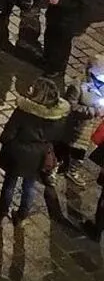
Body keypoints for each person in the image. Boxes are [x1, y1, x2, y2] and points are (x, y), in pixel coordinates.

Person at [0, 78, 69, 226]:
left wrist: (6, 141)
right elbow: (57, 137)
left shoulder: (23, 111)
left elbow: (9, 133)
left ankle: (0, 215)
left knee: (9, 184)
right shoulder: (57, 116)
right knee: (29, 185)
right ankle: (21, 216)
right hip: (38, 156)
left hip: (17, 154)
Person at [60, 55, 104, 187]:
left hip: (92, 126)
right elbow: (70, 106)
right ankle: (58, 168)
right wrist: (93, 111)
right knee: (68, 147)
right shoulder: (78, 85)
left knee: (81, 151)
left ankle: (73, 170)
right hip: (77, 126)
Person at [42, 0, 87, 78]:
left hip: (68, 20)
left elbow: (80, 4)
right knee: (49, 37)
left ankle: (57, 68)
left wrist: (59, 2)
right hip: (54, 15)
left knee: (61, 45)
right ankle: (47, 58)